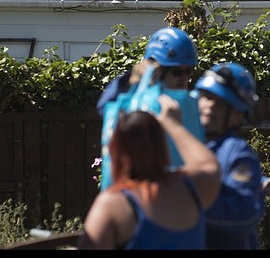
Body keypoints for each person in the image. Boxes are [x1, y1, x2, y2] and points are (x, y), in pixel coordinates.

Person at [78, 94, 221, 249]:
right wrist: (173, 124)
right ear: (163, 146)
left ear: (116, 151)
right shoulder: (190, 188)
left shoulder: (113, 205)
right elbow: (208, 165)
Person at [193, 62, 270, 249]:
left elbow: (242, 214)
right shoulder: (189, 142)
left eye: (221, 102)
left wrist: (187, 200)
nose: (210, 105)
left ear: (238, 113)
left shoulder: (237, 151)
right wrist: (258, 184)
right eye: (207, 97)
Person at [97, 26, 203, 189]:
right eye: (176, 71)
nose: (184, 78)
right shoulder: (137, 100)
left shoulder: (191, 105)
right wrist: (129, 81)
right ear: (157, 71)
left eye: (188, 71)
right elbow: (105, 108)